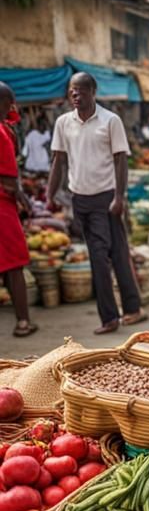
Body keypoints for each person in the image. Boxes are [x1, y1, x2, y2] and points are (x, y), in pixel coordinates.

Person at [47, 71, 147, 335]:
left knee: (103, 256)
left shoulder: (110, 121)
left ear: (93, 91)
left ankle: (112, 317)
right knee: (110, 253)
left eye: (80, 89)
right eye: (72, 90)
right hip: (80, 199)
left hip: (106, 197)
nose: (75, 94)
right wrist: (49, 194)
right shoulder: (63, 123)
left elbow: (121, 160)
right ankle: (131, 309)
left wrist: (119, 197)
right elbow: (58, 160)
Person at [0, 83, 37, 337]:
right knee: (15, 263)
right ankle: (23, 321)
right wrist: (23, 199)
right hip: (3, 205)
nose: (13, 106)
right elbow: (10, 180)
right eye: (10, 101)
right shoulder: (2, 133)